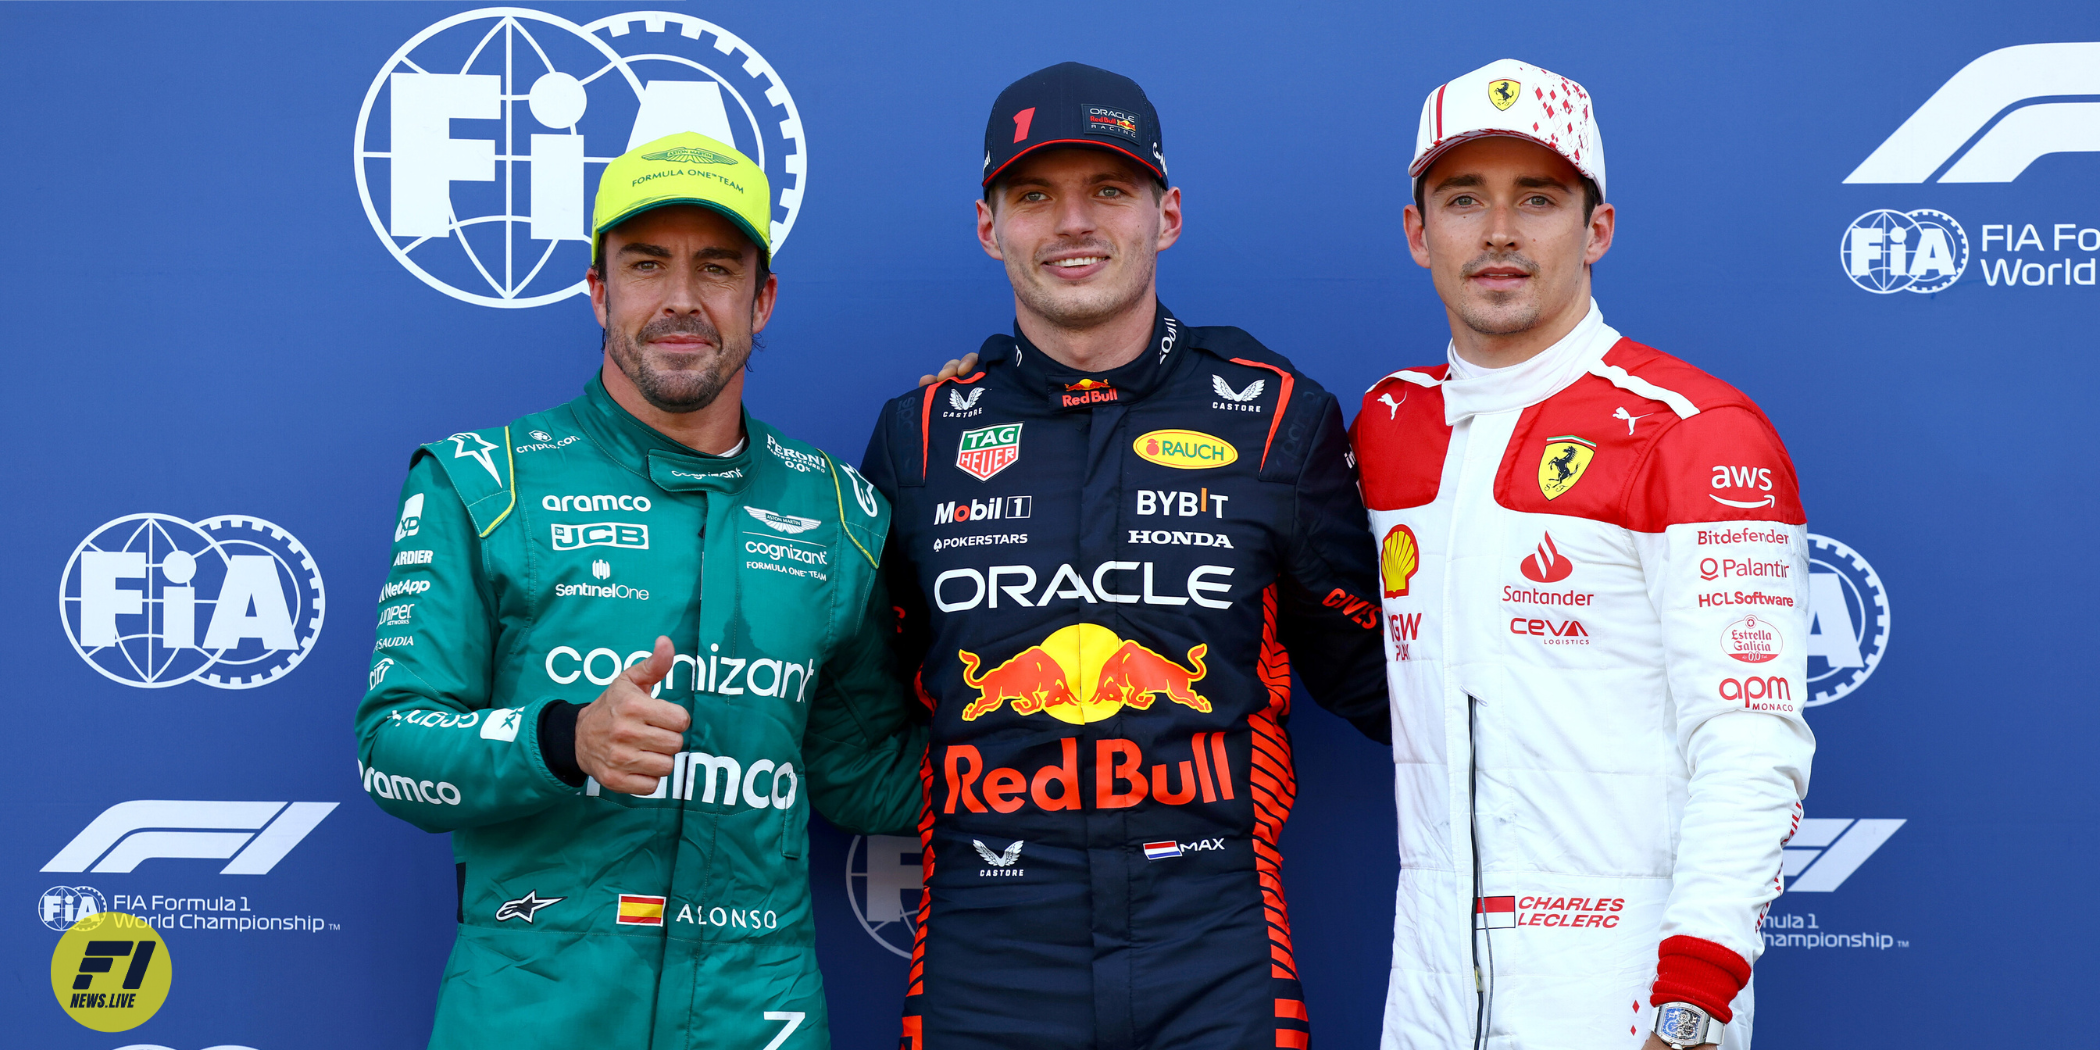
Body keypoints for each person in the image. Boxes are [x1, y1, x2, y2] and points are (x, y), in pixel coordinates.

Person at [354, 131, 925, 1050]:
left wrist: (1062, 750)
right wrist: (567, 737)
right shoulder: (482, 481)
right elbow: (392, 747)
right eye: (647, 264)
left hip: (758, 1008)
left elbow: (860, 776)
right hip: (533, 1006)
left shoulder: (840, 510)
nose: (682, 300)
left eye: (718, 267)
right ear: (598, 291)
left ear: (762, 299)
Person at [862, 62, 1391, 1050]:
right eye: (1034, 197)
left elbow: (1382, 681)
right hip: (986, 961)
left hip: (1216, 958)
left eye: (1108, 190)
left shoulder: (1278, 418)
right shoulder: (920, 435)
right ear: (990, 227)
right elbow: (866, 692)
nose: (1072, 224)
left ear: (1168, 213)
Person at [1351, 60, 1815, 1050]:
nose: (1501, 233)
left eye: (1541, 200)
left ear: (1598, 229)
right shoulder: (1389, 426)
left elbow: (1751, 743)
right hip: (1432, 990)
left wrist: (1693, 1003)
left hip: (1629, 996)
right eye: (1464, 198)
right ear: (1416, 232)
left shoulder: (1697, 433)